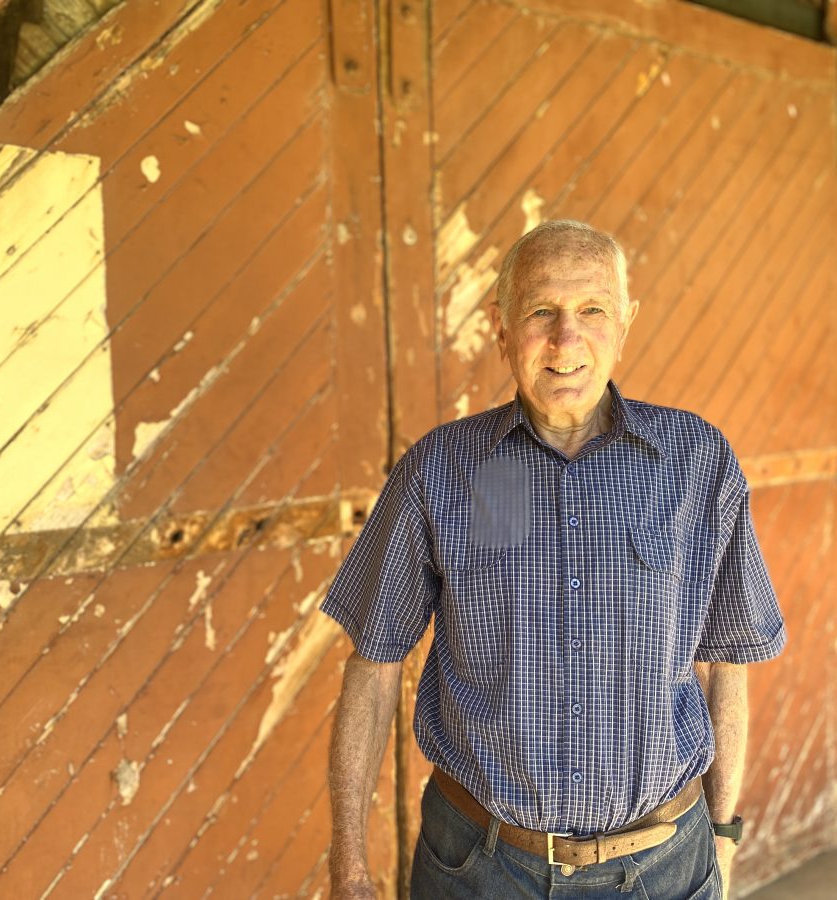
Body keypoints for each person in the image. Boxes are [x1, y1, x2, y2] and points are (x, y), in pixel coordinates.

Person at [321, 220, 786, 899]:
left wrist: (722, 836)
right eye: (541, 311)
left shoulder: (697, 462)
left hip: (663, 867)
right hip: (479, 868)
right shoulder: (439, 471)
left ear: (624, 323)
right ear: (502, 328)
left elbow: (725, 667)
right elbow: (373, 667)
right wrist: (350, 867)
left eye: (592, 310)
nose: (566, 340)